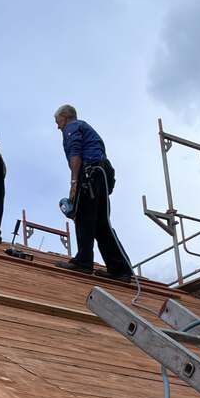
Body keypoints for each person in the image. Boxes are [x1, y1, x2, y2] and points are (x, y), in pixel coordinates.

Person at [54, 104, 133, 280]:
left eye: (58, 121)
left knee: (82, 217)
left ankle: (83, 262)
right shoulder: (86, 128)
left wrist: (74, 182)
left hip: (89, 175)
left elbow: (75, 154)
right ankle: (120, 269)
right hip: (100, 175)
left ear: (65, 117)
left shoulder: (71, 128)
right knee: (101, 224)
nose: (58, 126)